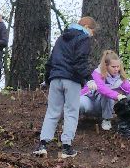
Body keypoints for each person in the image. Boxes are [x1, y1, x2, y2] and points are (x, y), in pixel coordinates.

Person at [33, 16, 96, 159]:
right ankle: (66, 147)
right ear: (87, 27)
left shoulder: (61, 38)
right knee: (71, 112)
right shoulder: (83, 39)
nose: (92, 35)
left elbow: (51, 60)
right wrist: (88, 78)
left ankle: (42, 145)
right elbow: (80, 61)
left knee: (52, 111)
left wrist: (47, 79)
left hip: (55, 78)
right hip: (72, 79)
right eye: (92, 31)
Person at [78, 50, 130, 131]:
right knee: (79, 104)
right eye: (113, 67)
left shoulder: (120, 78)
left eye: (118, 66)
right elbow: (101, 88)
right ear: (106, 66)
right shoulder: (97, 73)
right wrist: (117, 95)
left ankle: (106, 120)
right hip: (88, 101)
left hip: (102, 107)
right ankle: (71, 122)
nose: (116, 69)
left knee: (108, 96)